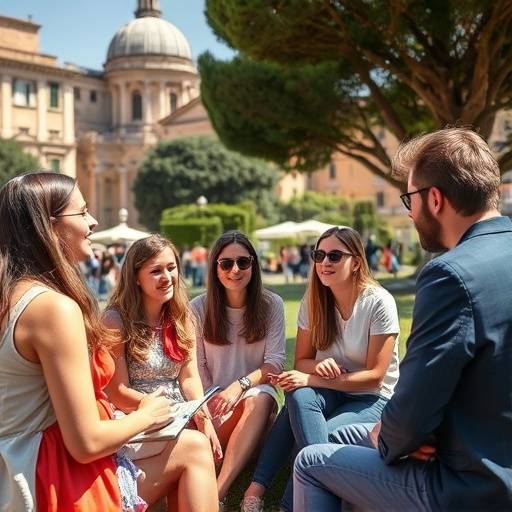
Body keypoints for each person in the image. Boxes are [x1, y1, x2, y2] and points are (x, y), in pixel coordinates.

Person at [294, 127, 512, 511]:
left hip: (467, 484)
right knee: (342, 439)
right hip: (482, 450)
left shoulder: (450, 275)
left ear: (435, 199)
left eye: (408, 199)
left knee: (311, 462)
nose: (409, 212)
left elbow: (411, 414)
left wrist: (393, 438)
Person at [0, 171, 218, 511]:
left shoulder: (12, 296)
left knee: (191, 447)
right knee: (193, 450)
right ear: (51, 226)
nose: (93, 221)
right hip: (46, 481)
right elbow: (85, 443)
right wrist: (147, 414)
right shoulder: (53, 308)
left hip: (15, 469)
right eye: (83, 212)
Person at [242, 226, 400, 512]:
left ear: (357, 262)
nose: (325, 262)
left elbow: (375, 377)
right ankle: (269, 491)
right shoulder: (313, 301)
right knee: (299, 397)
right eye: (319, 254)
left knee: (320, 432)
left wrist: (313, 377)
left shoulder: (379, 302)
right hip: (329, 392)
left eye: (335, 255)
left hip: (372, 397)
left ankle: (285, 502)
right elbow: (302, 360)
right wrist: (318, 366)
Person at [103, 234, 222, 461]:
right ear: (136, 277)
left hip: (178, 414)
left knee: (202, 438)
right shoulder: (115, 320)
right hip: (137, 419)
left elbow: (189, 378)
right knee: (193, 449)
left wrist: (201, 416)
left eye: (171, 268)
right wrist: (162, 409)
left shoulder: (183, 317)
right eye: (156, 271)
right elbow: (117, 392)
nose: (167, 277)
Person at [191, 231, 286, 506]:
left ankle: (216, 494)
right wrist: (215, 404)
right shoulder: (198, 307)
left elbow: (275, 363)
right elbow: (196, 370)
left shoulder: (272, 305)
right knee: (258, 401)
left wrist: (240, 385)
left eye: (243, 262)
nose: (235, 270)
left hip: (255, 407)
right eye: (226, 263)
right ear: (215, 267)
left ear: (253, 265)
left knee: (263, 396)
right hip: (214, 407)